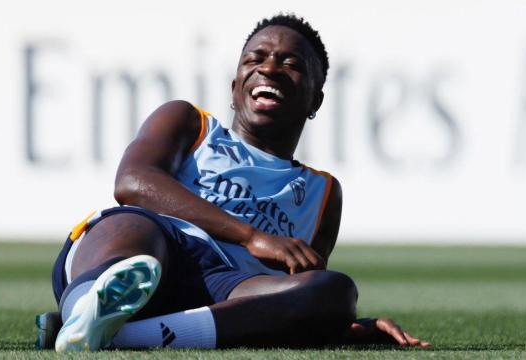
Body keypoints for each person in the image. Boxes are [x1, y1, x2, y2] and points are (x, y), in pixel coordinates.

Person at [46, 13, 431, 351]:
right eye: (255, 58)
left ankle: (105, 333)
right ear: (235, 89)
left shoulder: (323, 193)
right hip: (153, 246)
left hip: (228, 288)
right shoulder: (190, 123)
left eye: (290, 62)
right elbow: (132, 181)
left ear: (315, 101)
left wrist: (344, 324)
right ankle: (89, 304)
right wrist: (251, 237)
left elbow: (288, 299)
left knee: (335, 290)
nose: (270, 68)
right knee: (132, 226)